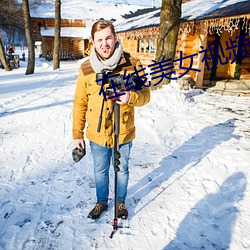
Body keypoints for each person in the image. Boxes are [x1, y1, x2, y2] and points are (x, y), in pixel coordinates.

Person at [72, 20, 150, 220]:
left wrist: (130, 97)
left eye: (108, 38)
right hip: (97, 134)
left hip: (123, 130)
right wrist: (77, 134)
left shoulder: (132, 63)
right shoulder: (86, 68)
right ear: (93, 42)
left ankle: (121, 202)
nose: (104, 43)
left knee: (122, 169)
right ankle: (101, 202)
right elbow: (80, 102)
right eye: (99, 40)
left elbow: (146, 94)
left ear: (115, 38)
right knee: (100, 170)